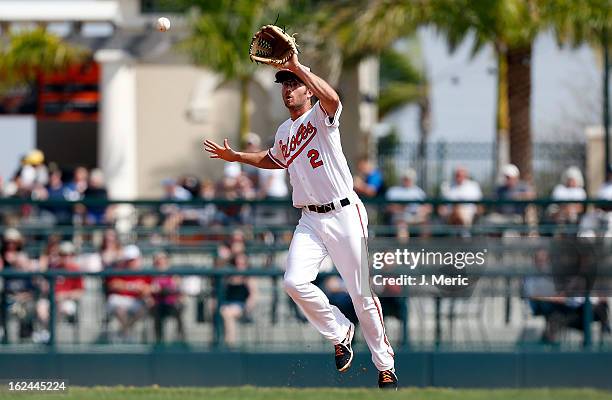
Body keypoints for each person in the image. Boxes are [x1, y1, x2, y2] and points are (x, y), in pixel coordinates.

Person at [204, 52, 397, 388]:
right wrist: (237, 156)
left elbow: (334, 98)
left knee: (362, 294)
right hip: (310, 218)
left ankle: (385, 366)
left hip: (344, 213)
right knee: (294, 281)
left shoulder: (322, 116)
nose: (287, 89)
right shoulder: (284, 130)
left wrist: (298, 67)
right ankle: (340, 332)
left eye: (293, 84)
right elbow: (273, 158)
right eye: (284, 84)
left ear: (307, 89)